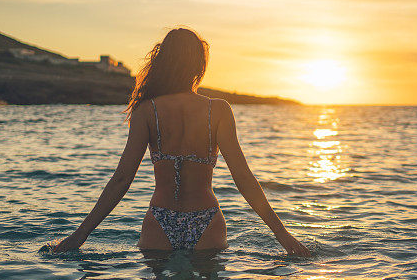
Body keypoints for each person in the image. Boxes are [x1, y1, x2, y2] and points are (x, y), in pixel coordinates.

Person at [50, 27, 310, 256]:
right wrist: (283, 236)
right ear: (199, 66)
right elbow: (243, 179)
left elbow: (121, 180)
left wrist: (80, 235)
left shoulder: (146, 110)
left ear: (163, 62)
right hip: (207, 221)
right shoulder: (218, 110)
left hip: (160, 221)